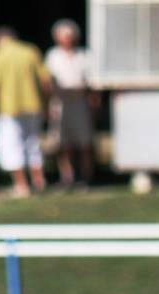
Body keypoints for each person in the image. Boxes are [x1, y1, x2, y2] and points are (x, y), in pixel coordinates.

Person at [0, 27, 51, 197]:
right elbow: (45, 80)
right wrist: (46, 103)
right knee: (33, 143)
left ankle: (22, 186)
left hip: (9, 107)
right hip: (34, 104)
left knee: (11, 145)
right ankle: (39, 181)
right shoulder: (30, 51)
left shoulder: (0, 55)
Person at [45, 19, 95, 188]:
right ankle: (67, 177)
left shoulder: (84, 55)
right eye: (63, 36)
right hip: (60, 102)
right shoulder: (53, 56)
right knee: (63, 143)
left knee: (84, 142)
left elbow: (92, 82)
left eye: (69, 36)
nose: (67, 39)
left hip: (80, 102)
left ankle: (86, 178)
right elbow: (49, 81)